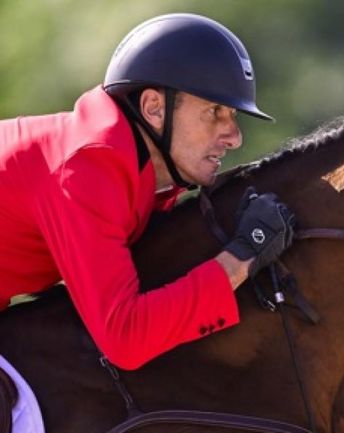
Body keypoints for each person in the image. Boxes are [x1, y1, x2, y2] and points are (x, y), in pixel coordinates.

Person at [0, 13, 294, 370]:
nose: (235, 136)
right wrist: (241, 258)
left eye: (233, 115)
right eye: (215, 111)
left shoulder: (138, 168)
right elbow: (124, 339)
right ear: (153, 107)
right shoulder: (87, 169)